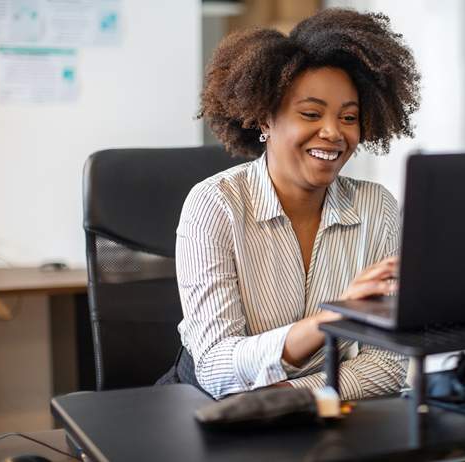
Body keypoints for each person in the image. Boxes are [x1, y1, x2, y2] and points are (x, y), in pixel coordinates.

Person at [172, 8, 420, 400]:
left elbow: (387, 364)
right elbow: (217, 368)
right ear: (265, 119)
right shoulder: (215, 205)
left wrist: (292, 397)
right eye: (310, 113)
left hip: (318, 407)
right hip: (210, 410)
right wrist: (334, 318)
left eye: (349, 117)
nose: (333, 132)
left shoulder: (378, 208)